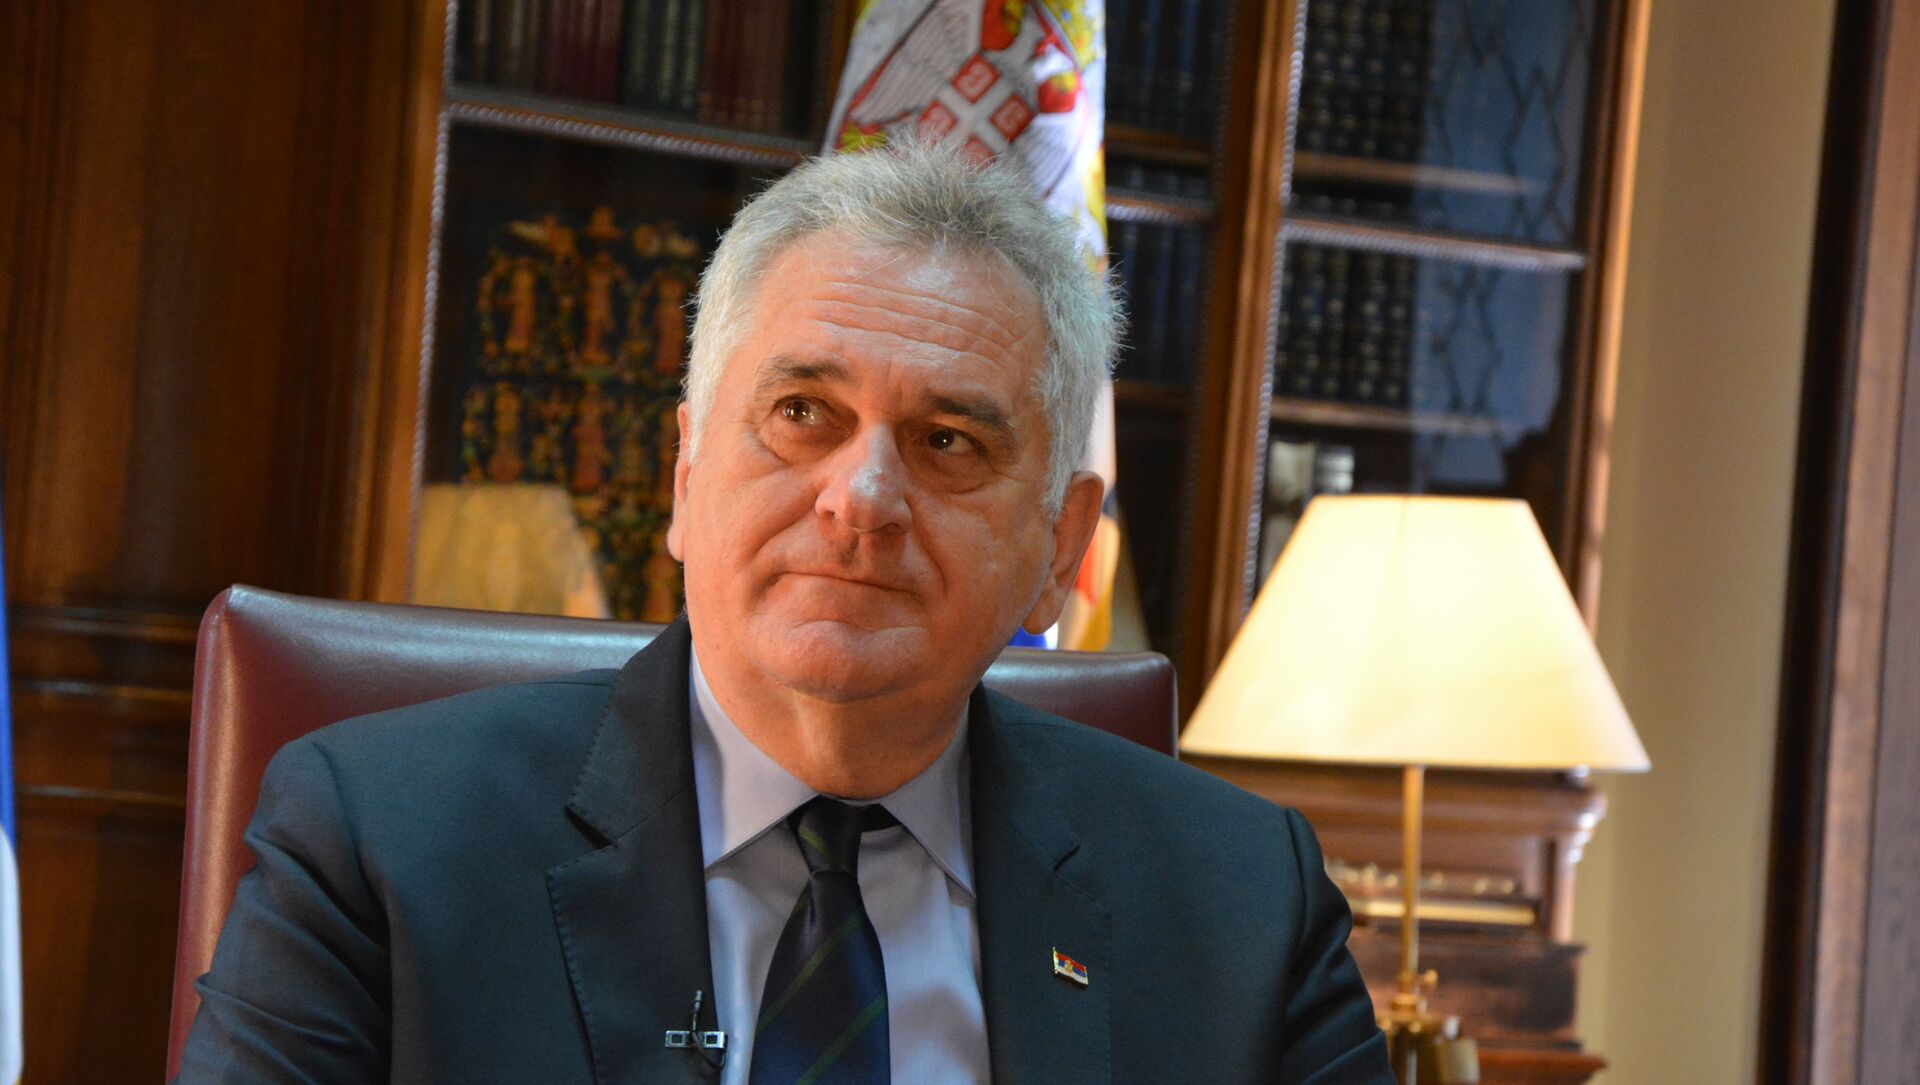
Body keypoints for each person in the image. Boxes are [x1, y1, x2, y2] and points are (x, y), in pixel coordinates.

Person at [175, 142, 1393, 1084]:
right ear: (686, 476)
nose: (862, 498)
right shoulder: (382, 848)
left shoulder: (1244, 906)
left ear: (1059, 546)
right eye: (803, 413)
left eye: (948, 440)